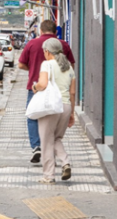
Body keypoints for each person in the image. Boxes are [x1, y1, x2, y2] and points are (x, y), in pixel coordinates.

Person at [19, 20, 75, 164]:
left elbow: (21, 64)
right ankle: (57, 156)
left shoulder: (32, 43)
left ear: (41, 31)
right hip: (59, 91)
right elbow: (71, 66)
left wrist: (32, 70)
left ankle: (37, 147)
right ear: (55, 32)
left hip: (36, 87)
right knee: (53, 126)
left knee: (32, 116)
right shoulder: (63, 44)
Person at [31, 38, 76, 183]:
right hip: (66, 106)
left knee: (46, 141)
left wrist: (34, 87)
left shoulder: (47, 64)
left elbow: (43, 84)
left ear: (47, 51)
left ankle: (48, 176)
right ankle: (65, 162)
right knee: (56, 138)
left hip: (51, 107)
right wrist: (72, 113)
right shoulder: (69, 66)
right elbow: (73, 92)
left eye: (44, 51)